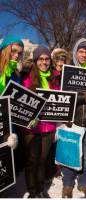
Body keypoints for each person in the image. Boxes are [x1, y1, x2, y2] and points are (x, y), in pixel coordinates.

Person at [62, 38, 86, 198]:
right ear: (76, 52)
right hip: (74, 121)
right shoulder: (68, 71)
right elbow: (65, 96)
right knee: (71, 154)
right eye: (81, 51)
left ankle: (83, 183)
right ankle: (67, 185)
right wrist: (83, 98)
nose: (84, 54)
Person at [21, 46, 57, 198]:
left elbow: (61, 100)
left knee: (43, 160)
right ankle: (32, 190)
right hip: (32, 128)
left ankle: (41, 188)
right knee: (32, 161)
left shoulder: (54, 78)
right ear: (36, 61)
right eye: (40, 59)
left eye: (46, 59)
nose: (44, 62)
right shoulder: (27, 77)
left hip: (48, 127)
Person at [0, 35, 25, 176]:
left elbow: (17, 103)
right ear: (4, 50)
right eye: (13, 51)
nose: (16, 55)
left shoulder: (16, 74)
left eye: (19, 53)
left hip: (9, 129)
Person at [45, 48, 69, 182]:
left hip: (62, 113)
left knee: (59, 141)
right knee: (50, 142)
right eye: (58, 59)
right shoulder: (49, 74)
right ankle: (49, 169)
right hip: (50, 113)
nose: (60, 62)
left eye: (63, 60)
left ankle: (57, 168)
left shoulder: (66, 74)